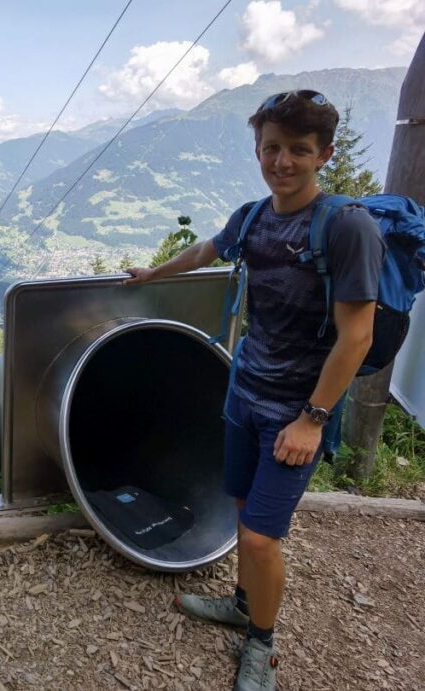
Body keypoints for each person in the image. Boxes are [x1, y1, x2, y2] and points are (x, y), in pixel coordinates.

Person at [123, 91, 384, 691]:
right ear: (257, 149)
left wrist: (313, 419)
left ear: (325, 154)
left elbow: (358, 336)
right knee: (243, 511)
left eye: (298, 150)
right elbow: (208, 248)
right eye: (272, 148)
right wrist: (152, 274)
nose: (282, 162)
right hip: (244, 393)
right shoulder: (254, 216)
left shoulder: (347, 227)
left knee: (262, 535)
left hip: (297, 413)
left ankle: (261, 647)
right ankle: (245, 603)